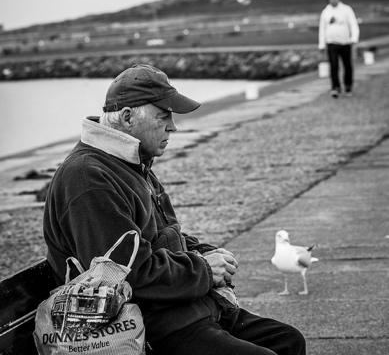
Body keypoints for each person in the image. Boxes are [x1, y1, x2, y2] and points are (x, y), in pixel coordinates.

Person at [44, 63, 306, 355]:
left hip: (185, 310)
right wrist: (205, 270)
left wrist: (203, 251)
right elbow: (128, 275)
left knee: (289, 341)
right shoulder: (88, 177)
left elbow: (163, 234)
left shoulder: (130, 161)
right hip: (150, 327)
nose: (173, 126)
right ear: (128, 117)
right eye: (163, 116)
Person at [318, 0, 360, 97]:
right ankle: (335, 87)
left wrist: (354, 38)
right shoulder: (325, 12)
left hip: (345, 43)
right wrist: (321, 44)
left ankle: (348, 86)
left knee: (347, 65)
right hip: (331, 43)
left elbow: (353, 24)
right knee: (334, 66)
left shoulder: (347, 10)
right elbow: (322, 29)